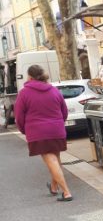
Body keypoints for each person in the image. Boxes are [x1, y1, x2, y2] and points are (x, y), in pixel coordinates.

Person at [15, 64, 73, 201]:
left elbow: (19, 116)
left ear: (29, 77)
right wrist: (59, 123)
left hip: (39, 133)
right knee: (56, 159)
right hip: (57, 130)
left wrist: (24, 130)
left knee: (51, 160)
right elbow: (64, 111)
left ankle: (66, 192)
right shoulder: (54, 90)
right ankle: (53, 187)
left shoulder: (24, 93)